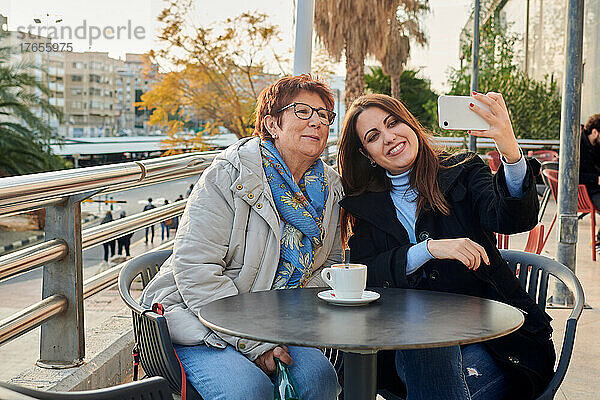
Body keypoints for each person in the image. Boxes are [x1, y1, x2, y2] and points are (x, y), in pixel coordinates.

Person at [338, 93, 555, 400]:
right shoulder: (365, 205)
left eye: (393, 122)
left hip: (497, 345)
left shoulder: (463, 170)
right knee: (421, 343)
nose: (389, 137)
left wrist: (509, 150)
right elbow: (365, 274)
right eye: (374, 137)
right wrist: (427, 250)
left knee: (429, 353)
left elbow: (512, 219)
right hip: (406, 350)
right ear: (368, 154)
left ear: (409, 123)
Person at [140, 74, 343, 399]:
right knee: (249, 390)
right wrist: (254, 343)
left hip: (278, 322)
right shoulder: (228, 176)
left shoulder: (330, 189)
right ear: (272, 125)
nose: (316, 122)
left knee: (322, 379)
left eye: (324, 115)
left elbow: (329, 265)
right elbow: (196, 267)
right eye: (303, 111)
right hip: (199, 319)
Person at [580, 114, 600, 241]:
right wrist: (596, 179)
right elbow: (574, 177)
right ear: (595, 132)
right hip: (584, 191)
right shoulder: (578, 146)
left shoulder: (596, 145)